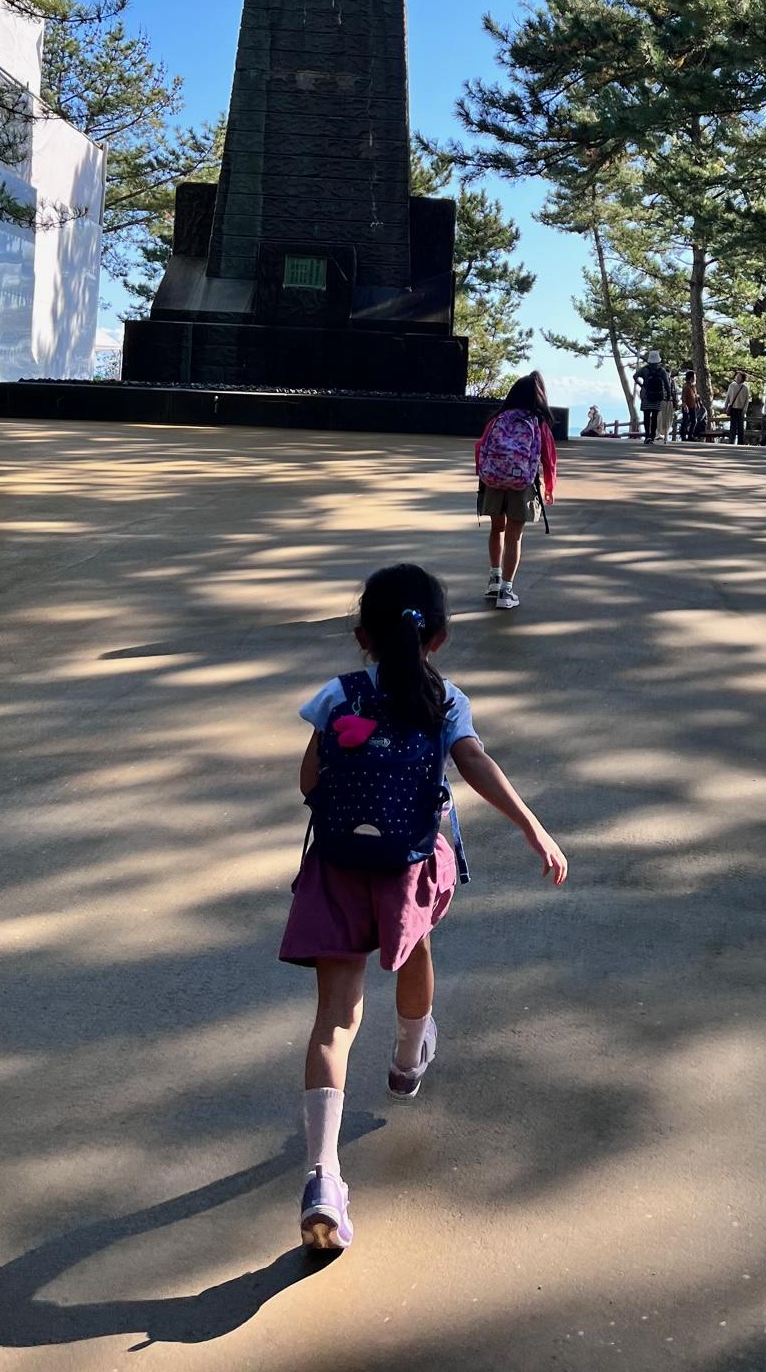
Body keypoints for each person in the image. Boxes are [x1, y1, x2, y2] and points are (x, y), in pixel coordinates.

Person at [283, 563, 568, 1255]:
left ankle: (322, 1177)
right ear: (437, 637)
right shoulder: (446, 700)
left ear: (363, 636)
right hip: (406, 867)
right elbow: (474, 763)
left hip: (338, 866)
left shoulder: (338, 695)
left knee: (334, 1020)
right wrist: (534, 828)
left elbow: (309, 780)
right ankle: (409, 1056)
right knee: (414, 949)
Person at [475, 371, 557, 610]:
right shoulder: (538, 422)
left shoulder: (497, 419)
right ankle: (506, 591)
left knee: (496, 529)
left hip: (493, 481)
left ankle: (494, 579)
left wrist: (485, 475)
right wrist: (550, 486)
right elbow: (549, 457)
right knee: (514, 536)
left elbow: (480, 447)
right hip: (522, 483)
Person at [633, 351, 671, 445]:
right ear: (658, 361)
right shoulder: (662, 371)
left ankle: (647, 436)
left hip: (647, 395)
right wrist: (668, 395)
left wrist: (641, 385)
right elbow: (667, 385)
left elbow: (635, 376)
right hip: (658, 396)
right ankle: (652, 436)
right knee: (654, 416)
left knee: (646, 416)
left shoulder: (645, 369)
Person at [724, 369, 752, 444]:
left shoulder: (745, 388)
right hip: (733, 408)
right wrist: (725, 406)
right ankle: (731, 441)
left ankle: (740, 442)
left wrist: (745, 410)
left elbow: (747, 400)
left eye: (739, 377)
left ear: (742, 378)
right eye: (737, 376)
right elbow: (728, 396)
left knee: (740, 427)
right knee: (733, 426)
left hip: (740, 409)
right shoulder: (732, 385)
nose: (737, 378)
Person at [679, 370, 699, 442]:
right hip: (687, 406)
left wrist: (697, 403)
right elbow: (683, 396)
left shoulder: (693, 386)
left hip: (693, 406)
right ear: (691, 378)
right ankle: (683, 435)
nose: (695, 378)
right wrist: (684, 405)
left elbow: (695, 396)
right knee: (685, 421)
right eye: (694, 377)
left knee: (694, 421)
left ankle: (690, 435)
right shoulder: (686, 386)